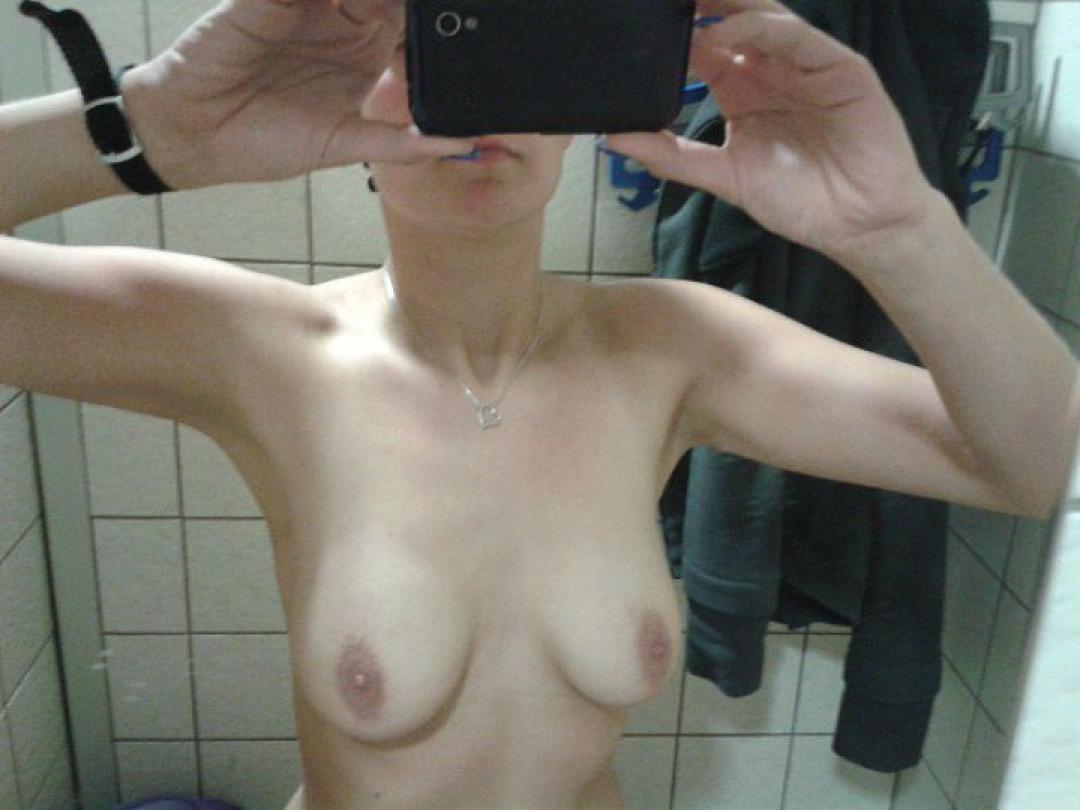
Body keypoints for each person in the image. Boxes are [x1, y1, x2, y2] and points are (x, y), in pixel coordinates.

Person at [1, 0, 1077, 807]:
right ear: (347, 91)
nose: (492, 100)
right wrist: (150, 127)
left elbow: (1037, 467)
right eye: (431, 41)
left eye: (524, 40)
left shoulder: (675, 347)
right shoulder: (259, 352)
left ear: (580, 99)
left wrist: (898, 229)